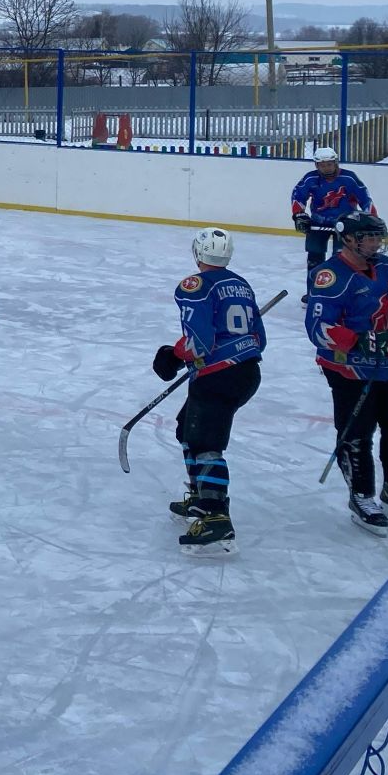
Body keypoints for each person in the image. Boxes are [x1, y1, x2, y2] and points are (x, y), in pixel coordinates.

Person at [305, 211, 388, 534]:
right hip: (348, 368)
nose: (377, 242)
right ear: (348, 239)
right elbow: (318, 328)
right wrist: (359, 341)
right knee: (357, 433)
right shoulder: (330, 276)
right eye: (369, 236)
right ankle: (361, 496)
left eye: (378, 236)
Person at [152, 228, 266, 555]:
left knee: (205, 442)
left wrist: (174, 356)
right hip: (246, 372)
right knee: (187, 427)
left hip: (219, 375)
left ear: (198, 252)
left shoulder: (195, 286)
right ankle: (201, 497)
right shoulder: (241, 284)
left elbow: (199, 341)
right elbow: (260, 338)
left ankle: (216, 515)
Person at [291, 146, 374, 272]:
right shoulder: (310, 178)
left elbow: (365, 199)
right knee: (314, 256)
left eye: (329, 164)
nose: (326, 168)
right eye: (322, 165)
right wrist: (299, 215)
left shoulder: (349, 178)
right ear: (316, 165)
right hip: (318, 222)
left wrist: (370, 219)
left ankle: (339, 290)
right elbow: (298, 196)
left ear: (335, 163)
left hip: (346, 224)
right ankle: (314, 290)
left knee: (342, 258)